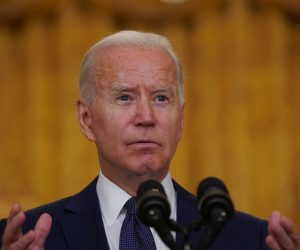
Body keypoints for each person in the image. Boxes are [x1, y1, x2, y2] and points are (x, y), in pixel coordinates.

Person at [0, 30, 299, 250]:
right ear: (86, 119)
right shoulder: (26, 240)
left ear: (180, 119)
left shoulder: (250, 239)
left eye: (160, 97)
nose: (146, 116)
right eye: (125, 97)